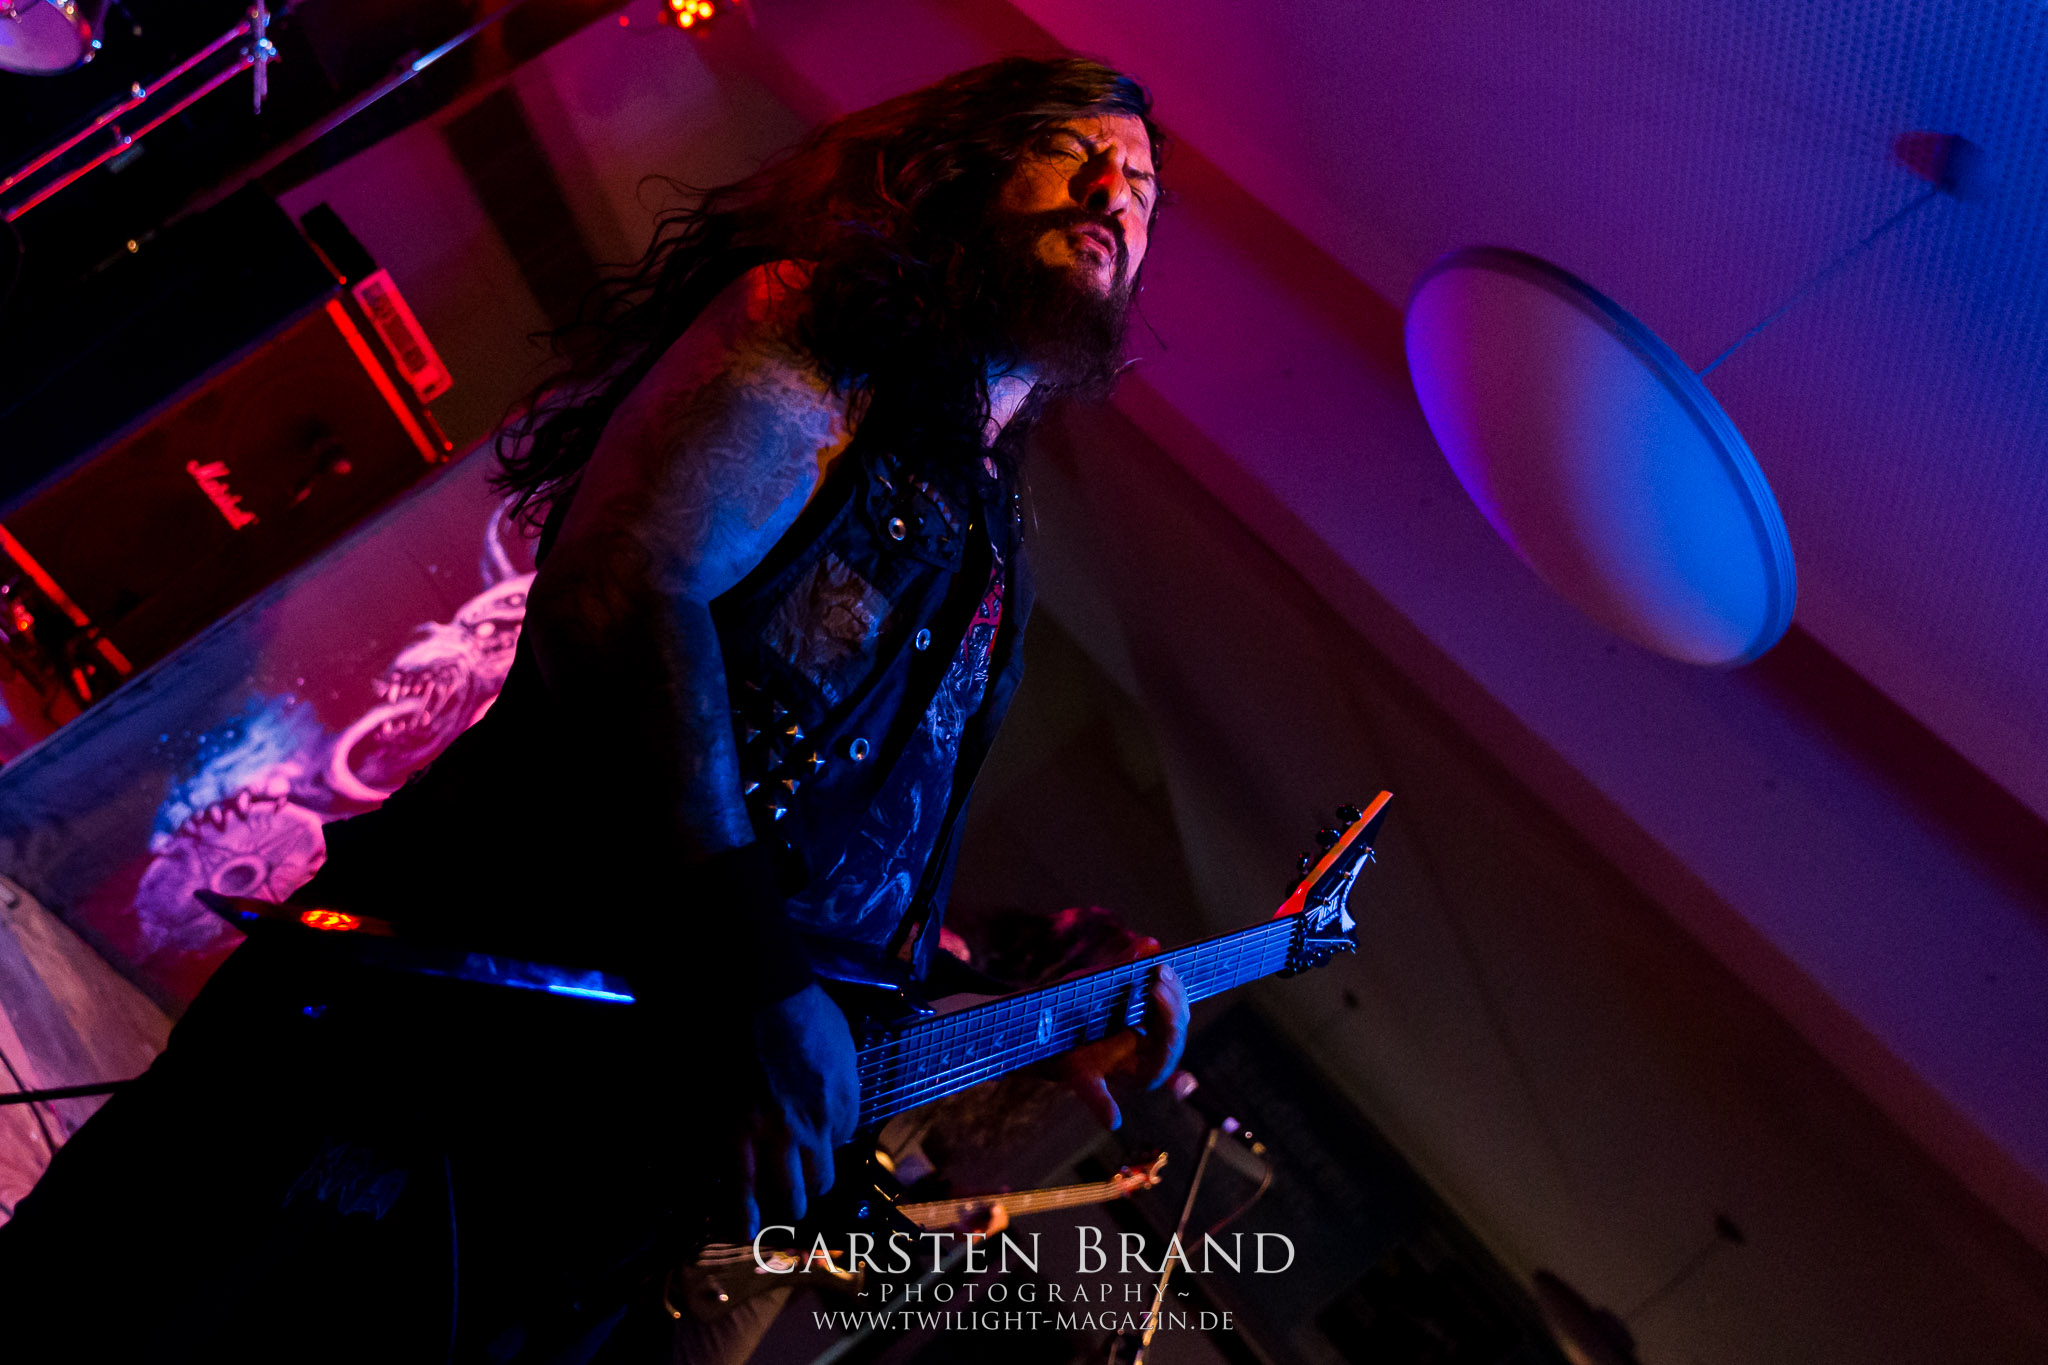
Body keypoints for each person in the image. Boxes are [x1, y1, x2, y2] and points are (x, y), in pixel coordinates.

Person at [0, 56, 1187, 1361]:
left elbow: (850, 872)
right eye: (1075, 151)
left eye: (1140, 191)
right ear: (971, 163)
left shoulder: (1000, 537)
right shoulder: (822, 326)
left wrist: (1042, 1028)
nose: (1112, 194)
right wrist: (755, 976)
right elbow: (626, 589)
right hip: (450, 1018)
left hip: (611, 1153)